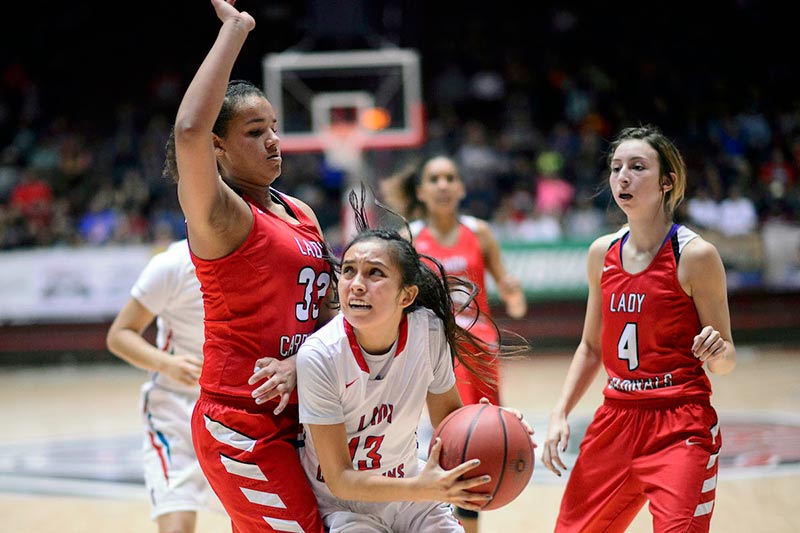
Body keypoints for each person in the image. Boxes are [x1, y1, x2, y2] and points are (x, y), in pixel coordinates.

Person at [169, 1, 335, 531]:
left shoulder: (298, 210)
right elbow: (188, 131)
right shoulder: (220, 214)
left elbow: (327, 313)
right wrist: (236, 31)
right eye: (253, 131)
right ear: (218, 148)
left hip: (305, 410)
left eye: (274, 127)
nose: (272, 140)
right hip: (243, 420)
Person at [295, 190, 535, 532]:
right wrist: (423, 486)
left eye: (374, 273)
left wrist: (497, 426)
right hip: (346, 506)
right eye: (348, 271)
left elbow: (448, 423)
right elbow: (341, 479)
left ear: (406, 295)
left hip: (413, 496)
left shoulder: (428, 331)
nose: (356, 285)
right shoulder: (320, 356)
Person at [541, 124, 737, 533]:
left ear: (667, 182)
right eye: (615, 168)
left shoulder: (695, 255)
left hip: (679, 423)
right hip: (616, 419)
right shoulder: (603, 252)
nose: (622, 177)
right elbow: (591, 348)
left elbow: (726, 360)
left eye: (637, 167)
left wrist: (717, 351)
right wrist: (560, 413)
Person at [381, 155, 527, 533]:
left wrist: (513, 296)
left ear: (461, 188)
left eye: (450, 178)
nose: (443, 184)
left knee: (476, 445)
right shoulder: (408, 239)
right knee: (447, 444)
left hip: (479, 350)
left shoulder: (479, 233)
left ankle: (463, 525)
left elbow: (513, 298)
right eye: (435, 178)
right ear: (422, 190)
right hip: (434, 348)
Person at [106, 239, 225, 533]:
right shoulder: (172, 264)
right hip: (175, 407)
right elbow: (119, 334)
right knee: (177, 524)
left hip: (233, 408)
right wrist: (165, 363)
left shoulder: (255, 256)